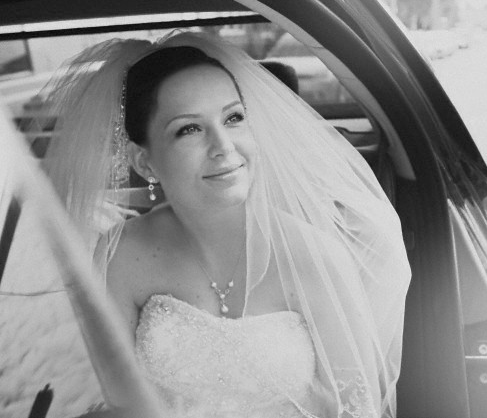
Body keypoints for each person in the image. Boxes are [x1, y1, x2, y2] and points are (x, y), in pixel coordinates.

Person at [34, 31, 412, 418]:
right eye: (189, 129)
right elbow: (119, 400)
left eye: (233, 118)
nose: (224, 146)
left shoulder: (315, 256)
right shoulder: (121, 254)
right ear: (144, 162)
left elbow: (355, 406)